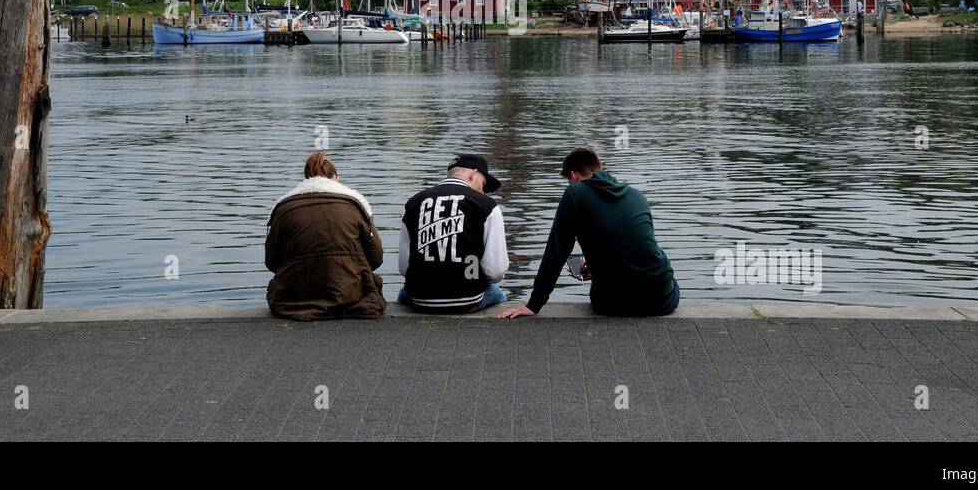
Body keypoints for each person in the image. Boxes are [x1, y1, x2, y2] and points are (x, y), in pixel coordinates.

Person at [500, 147, 679, 319]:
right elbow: (636, 248)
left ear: (573, 175)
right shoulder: (637, 195)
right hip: (661, 300)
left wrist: (534, 304)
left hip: (613, 304)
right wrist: (595, 268)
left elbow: (556, 252)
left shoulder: (575, 193)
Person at [264, 151, 386, 320]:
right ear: (336, 179)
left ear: (306, 179)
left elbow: (271, 262)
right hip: (352, 297)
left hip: (295, 299)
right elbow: (376, 258)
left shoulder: (284, 209)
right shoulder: (356, 205)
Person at [398, 153, 509, 313]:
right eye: (483, 185)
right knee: (497, 293)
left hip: (420, 298)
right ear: (473, 174)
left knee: (403, 293)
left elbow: (404, 267)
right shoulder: (487, 205)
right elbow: (495, 271)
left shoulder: (414, 202)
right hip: (467, 299)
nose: (483, 191)